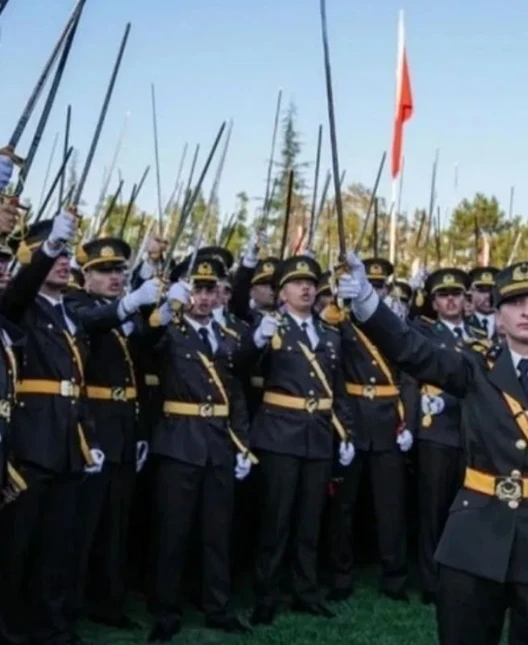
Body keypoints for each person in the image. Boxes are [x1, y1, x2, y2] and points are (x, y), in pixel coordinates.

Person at [337, 254, 528, 644]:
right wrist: (368, 303)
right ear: (498, 315)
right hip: (473, 539)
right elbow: (410, 349)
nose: (526, 312)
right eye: (514, 303)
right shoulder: (473, 368)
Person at [0, 212, 154, 645]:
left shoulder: (70, 310)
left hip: (69, 441)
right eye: (56, 254)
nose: (65, 261)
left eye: (67, 252)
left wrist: (87, 435)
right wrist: (44, 249)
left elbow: (79, 382)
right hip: (32, 440)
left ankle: (54, 625)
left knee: (57, 544)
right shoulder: (23, 305)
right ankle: (12, 628)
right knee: (19, 545)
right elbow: (16, 293)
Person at [146, 255, 254, 642]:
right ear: (185, 292)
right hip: (179, 441)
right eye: (197, 290)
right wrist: (161, 306)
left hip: (218, 444)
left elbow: (236, 395)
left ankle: (218, 607)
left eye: (210, 290)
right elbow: (143, 343)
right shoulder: (169, 332)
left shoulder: (228, 339)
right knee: (173, 532)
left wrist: (242, 444)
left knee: (217, 532)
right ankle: (166, 610)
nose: (205, 298)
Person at [245, 255, 355, 625]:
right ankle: (266, 595)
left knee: (310, 520)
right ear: (281, 292)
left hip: (319, 435)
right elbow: (241, 366)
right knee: (276, 520)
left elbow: (338, 389)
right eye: (296, 283)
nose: (306, 288)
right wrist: (258, 340)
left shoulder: (329, 332)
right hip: (279, 433)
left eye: (310, 282)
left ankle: (305, 591)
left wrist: (345, 431)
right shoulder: (269, 328)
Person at [67, 237, 149, 631]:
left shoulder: (123, 313)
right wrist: (130, 304)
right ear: (86, 276)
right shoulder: (77, 304)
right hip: (93, 424)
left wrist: (158, 309)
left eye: (119, 271)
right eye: (105, 271)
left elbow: (147, 364)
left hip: (124, 425)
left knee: (116, 524)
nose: (115, 277)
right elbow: (93, 323)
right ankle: (69, 606)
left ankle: (108, 602)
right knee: (82, 527)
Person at [328, 257, 414, 602]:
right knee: (343, 506)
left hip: (388, 419)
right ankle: (340, 576)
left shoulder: (392, 324)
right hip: (353, 417)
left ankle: (395, 577)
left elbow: (408, 374)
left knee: (391, 506)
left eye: (380, 286)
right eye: (370, 285)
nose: (375, 291)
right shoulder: (341, 321)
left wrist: (407, 420)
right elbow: (331, 372)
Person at [410, 267, 471, 605]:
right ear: (433, 302)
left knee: (465, 511)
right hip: (437, 429)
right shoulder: (426, 333)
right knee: (432, 510)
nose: (451, 300)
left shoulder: (479, 333)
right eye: (444, 295)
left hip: (470, 430)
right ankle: (431, 582)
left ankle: (460, 576)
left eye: (457, 294)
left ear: (465, 299)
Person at [465, 266, 498, 339]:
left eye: (492, 291)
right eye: (482, 291)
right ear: (472, 293)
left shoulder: (508, 323)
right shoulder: (462, 324)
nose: (488, 296)